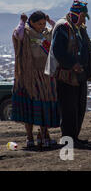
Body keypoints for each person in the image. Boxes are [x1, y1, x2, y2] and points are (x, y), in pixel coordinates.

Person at [45, 0, 91, 147]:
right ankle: (68, 139)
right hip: (66, 76)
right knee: (68, 108)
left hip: (81, 75)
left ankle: (75, 137)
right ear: (75, 14)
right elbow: (58, 51)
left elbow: (86, 48)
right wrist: (72, 64)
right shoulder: (62, 27)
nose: (84, 19)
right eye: (82, 16)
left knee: (79, 107)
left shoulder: (80, 28)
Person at [12, 11, 60, 149]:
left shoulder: (46, 33)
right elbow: (17, 35)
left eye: (43, 23)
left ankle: (44, 134)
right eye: (39, 23)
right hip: (28, 76)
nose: (42, 26)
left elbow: (56, 30)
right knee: (29, 105)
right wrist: (22, 21)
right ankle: (29, 136)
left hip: (44, 76)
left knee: (44, 105)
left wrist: (49, 21)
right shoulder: (25, 33)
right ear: (31, 22)